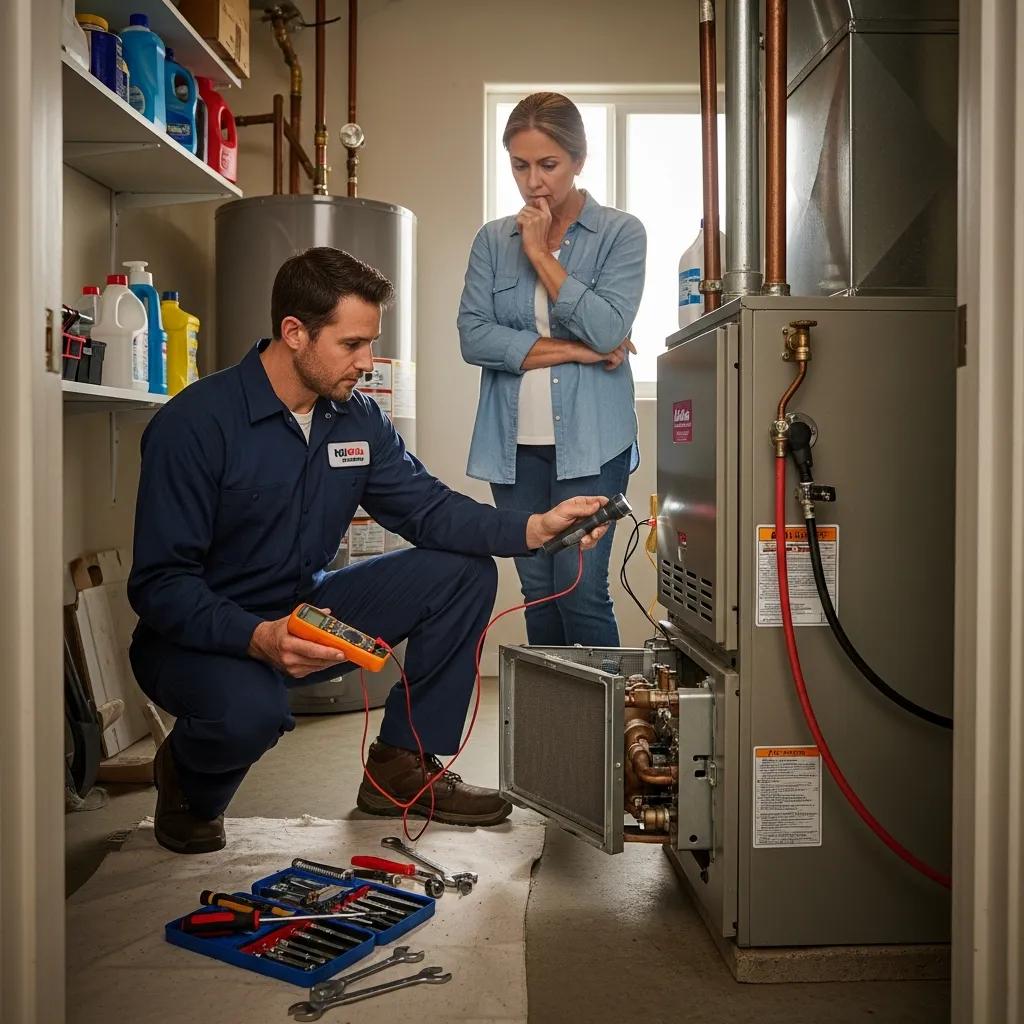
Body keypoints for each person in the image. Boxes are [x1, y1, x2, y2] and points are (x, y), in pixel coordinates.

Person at [127, 246, 613, 854]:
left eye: (371, 343)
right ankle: (187, 781)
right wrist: (256, 638)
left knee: (461, 573)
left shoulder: (354, 420)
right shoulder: (195, 425)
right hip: (199, 638)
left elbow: (429, 509)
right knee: (251, 712)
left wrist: (534, 528)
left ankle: (398, 767)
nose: (368, 361)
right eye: (352, 344)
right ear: (294, 332)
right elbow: (159, 585)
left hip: (304, 611)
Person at [458, 92, 646, 648]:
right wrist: (578, 350)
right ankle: (551, 734)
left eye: (548, 164)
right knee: (537, 589)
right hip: (512, 448)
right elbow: (474, 337)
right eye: (520, 165)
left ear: (578, 160)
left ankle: (603, 735)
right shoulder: (492, 241)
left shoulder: (620, 233)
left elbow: (610, 329)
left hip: (593, 444)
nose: (533, 181)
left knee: (580, 590)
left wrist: (541, 254)